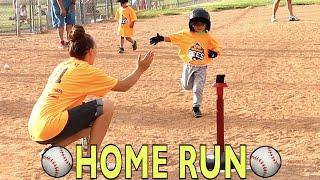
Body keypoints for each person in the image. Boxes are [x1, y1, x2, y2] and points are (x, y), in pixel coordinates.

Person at [28, 25, 155, 158]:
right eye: (95, 49)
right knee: (106, 106)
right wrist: (140, 69)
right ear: (89, 51)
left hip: (36, 128)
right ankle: (90, 160)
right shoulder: (84, 69)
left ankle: (53, 150)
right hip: (50, 126)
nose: (96, 52)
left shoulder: (63, 65)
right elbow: (124, 86)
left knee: (93, 122)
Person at [150, 8, 221, 118]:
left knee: (198, 89)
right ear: (191, 24)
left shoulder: (208, 37)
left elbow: (217, 46)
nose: (199, 26)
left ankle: (196, 107)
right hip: (189, 66)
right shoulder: (186, 34)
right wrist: (162, 38)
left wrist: (215, 53)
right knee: (187, 86)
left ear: (207, 25)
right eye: (196, 24)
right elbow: (173, 37)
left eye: (202, 24)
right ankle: (189, 82)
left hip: (202, 67)